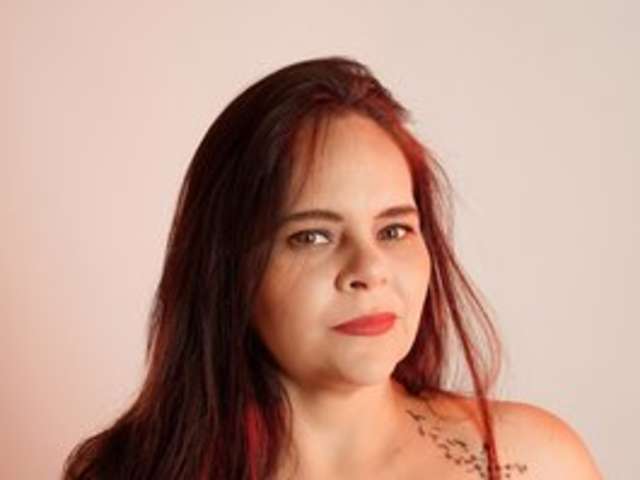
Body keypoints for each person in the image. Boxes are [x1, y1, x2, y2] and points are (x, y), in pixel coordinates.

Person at [62, 56, 602, 479]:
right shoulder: (126, 474)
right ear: (227, 270)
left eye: (394, 230)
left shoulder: (535, 463)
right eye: (312, 236)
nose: (369, 269)